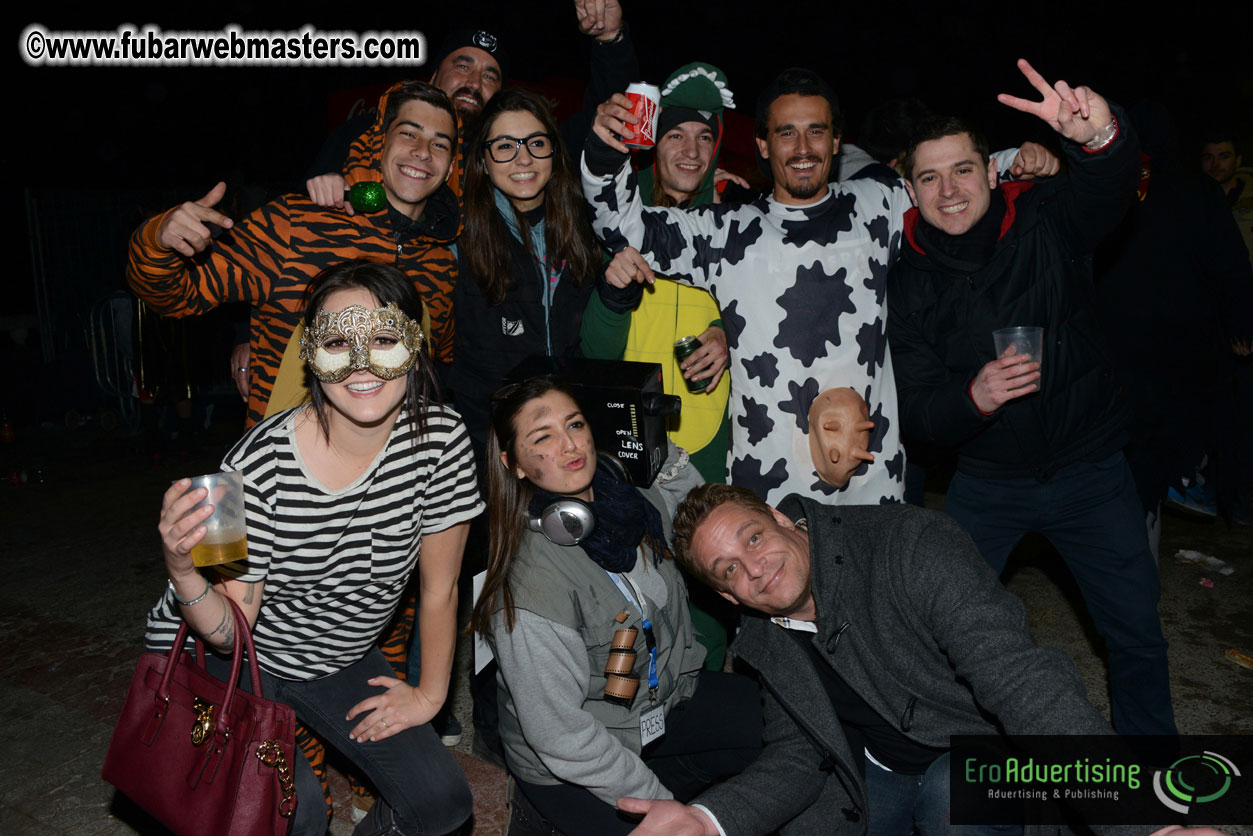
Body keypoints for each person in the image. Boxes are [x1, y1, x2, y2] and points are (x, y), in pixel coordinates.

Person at [582, 67, 1057, 507]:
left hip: (875, 486)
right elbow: (625, 229)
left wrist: (1019, 161)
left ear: (836, 143)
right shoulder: (724, 232)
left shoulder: (878, 205)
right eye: (786, 132)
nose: (803, 147)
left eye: (817, 131)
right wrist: (607, 149)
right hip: (769, 494)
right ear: (764, 146)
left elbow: (950, 180)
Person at [887, 60, 1175, 735]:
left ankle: (1154, 790)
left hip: (1090, 470)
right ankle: (954, 780)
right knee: (940, 640)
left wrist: (1099, 137)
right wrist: (973, 397)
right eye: (928, 177)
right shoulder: (907, 280)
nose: (948, 190)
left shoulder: (1044, 218)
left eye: (961, 170)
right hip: (986, 485)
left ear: (991, 171)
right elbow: (921, 409)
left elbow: (1108, 189)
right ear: (909, 189)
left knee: (1135, 636)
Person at [146, 260, 482, 835]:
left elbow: (441, 585)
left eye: (382, 337)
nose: (361, 364)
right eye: (335, 342)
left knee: (441, 801)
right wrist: (183, 571)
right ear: (309, 355)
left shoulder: (443, 442)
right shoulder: (253, 466)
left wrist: (429, 696)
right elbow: (231, 630)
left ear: (415, 345)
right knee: (291, 811)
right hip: (233, 658)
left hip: (336, 655)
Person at [620, 484, 1159, 836]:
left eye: (754, 538)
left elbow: (1023, 682)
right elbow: (796, 756)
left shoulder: (910, 545)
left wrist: (1143, 822)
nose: (754, 569)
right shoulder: (762, 638)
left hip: (987, 752)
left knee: (955, 794)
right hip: (883, 769)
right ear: (729, 599)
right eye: (730, 570)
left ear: (784, 520)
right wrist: (707, 819)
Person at [469, 376, 760, 835]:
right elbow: (561, 737)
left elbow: (704, 527)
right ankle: (539, 813)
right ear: (514, 464)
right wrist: (665, 806)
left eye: (576, 424)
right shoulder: (530, 585)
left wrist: (663, 457)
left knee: (784, 722)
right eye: (543, 437)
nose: (569, 444)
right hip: (577, 754)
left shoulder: (632, 500)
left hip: (661, 703)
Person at [128, 81, 461, 427]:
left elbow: (437, 367)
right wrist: (158, 240)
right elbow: (174, 295)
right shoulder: (296, 222)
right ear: (380, 143)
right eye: (409, 134)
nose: (423, 151)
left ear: (451, 166)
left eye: (440, 143)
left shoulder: (441, 263)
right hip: (284, 467)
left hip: (391, 470)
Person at [580, 61, 737, 484]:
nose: (693, 152)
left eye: (705, 137)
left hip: (711, 442)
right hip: (627, 435)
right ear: (653, 143)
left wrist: (725, 333)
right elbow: (595, 356)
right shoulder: (615, 221)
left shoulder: (733, 226)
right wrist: (613, 293)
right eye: (675, 135)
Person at [450, 88, 603, 458]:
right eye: (504, 146)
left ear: (554, 152)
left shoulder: (586, 225)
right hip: (487, 443)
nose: (523, 158)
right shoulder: (457, 234)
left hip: (568, 435)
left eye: (536, 143)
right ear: (483, 161)